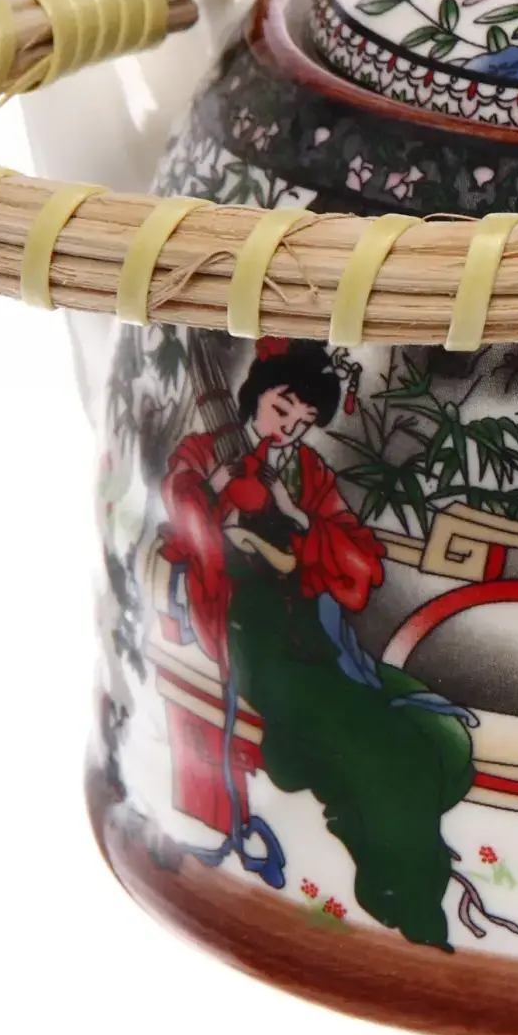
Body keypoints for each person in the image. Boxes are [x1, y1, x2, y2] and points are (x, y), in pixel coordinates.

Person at [158, 337, 480, 951]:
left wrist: (297, 517)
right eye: (281, 409)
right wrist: (220, 493)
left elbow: (361, 561)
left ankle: (389, 855)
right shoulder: (203, 455)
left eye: (303, 421)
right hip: (254, 643)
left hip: (323, 643)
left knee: (437, 736)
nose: (288, 428)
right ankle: (409, 905)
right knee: (382, 752)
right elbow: (183, 526)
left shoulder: (304, 473)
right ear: (254, 395)